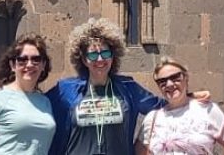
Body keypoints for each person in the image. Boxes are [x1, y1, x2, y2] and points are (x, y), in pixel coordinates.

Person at [48, 18, 166, 155]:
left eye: (105, 53)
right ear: (83, 60)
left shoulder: (128, 88)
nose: (100, 59)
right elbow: (38, 105)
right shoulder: (66, 90)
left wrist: (191, 98)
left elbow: (162, 107)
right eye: (93, 54)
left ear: (112, 57)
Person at [0, 35, 58, 155]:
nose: (29, 64)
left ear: (43, 65)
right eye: (22, 60)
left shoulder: (45, 102)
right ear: (13, 65)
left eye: (36, 59)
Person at [136, 58, 224, 155]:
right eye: (162, 81)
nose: (169, 84)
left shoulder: (208, 110)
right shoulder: (152, 118)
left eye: (175, 77)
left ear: (186, 78)